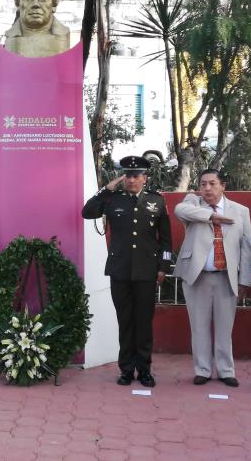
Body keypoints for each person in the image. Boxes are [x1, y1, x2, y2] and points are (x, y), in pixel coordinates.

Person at [82, 155, 172, 387]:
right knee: (125, 322)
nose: (131, 180)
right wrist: (106, 189)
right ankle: (126, 369)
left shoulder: (157, 201)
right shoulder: (112, 199)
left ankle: (144, 370)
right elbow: (87, 212)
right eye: (127, 175)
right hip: (120, 270)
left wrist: (163, 267)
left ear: (145, 178)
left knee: (143, 322)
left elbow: (166, 241)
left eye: (136, 176)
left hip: (146, 271)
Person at [173, 169, 251, 387]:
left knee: (224, 328)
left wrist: (245, 279)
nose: (207, 188)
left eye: (212, 183)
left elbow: (247, 248)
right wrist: (212, 216)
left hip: (226, 277)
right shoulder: (193, 204)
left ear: (223, 186)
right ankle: (203, 370)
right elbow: (179, 209)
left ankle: (226, 370)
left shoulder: (241, 211)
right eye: (203, 184)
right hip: (197, 277)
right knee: (198, 326)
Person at [4, 0, 70, 58]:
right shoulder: (11, 37)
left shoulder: (63, 36)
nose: (35, 4)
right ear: (18, 3)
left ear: (53, 3)